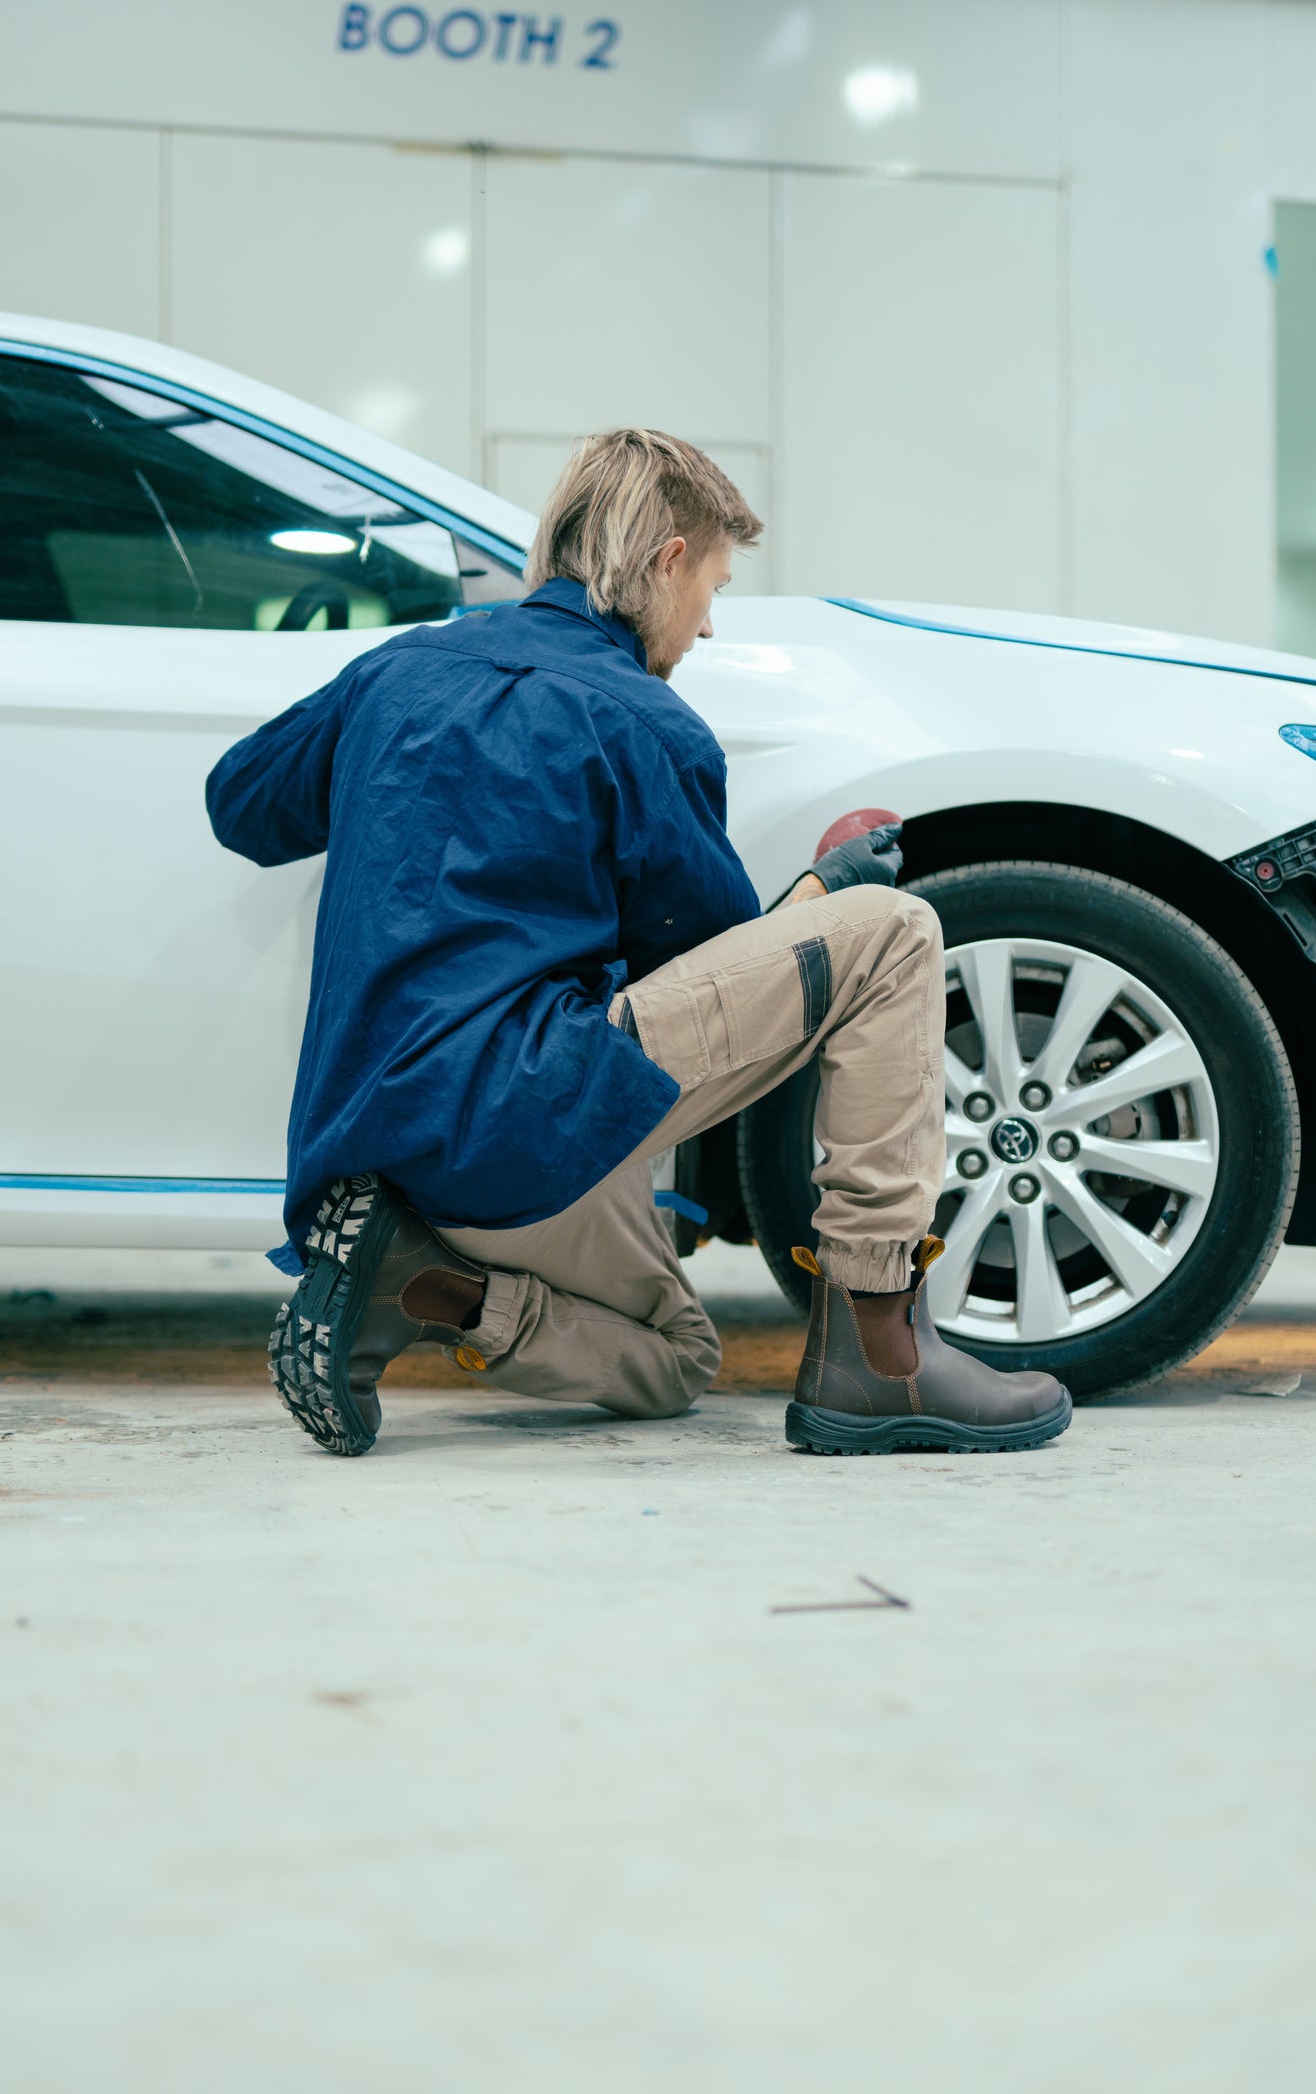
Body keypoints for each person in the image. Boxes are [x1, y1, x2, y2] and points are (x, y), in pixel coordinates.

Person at [206, 430, 1070, 1459]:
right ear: (665, 562)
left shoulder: (396, 667)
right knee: (891, 932)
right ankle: (878, 1346)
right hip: (513, 1131)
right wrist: (820, 897)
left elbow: (243, 804)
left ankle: (424, 1280)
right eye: (712, 585)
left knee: (674, 1359)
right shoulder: (642, 722)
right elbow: (704, 979)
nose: (705, 626)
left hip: (357, 1148)